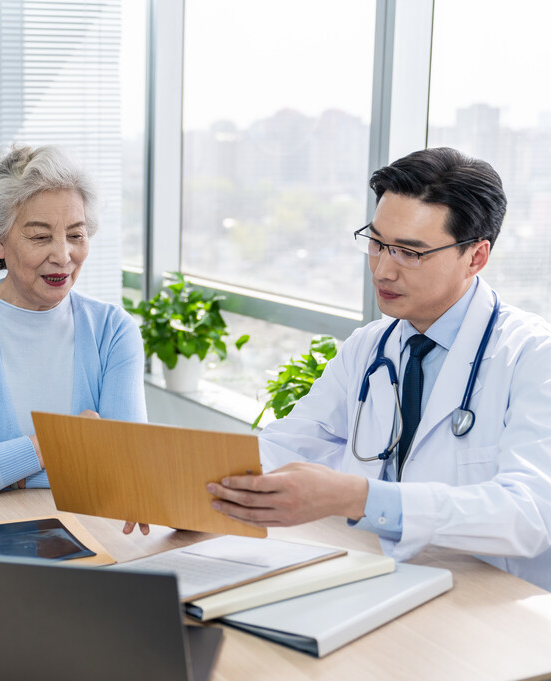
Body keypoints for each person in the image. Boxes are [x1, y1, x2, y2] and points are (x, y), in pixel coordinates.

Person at [208, 147, 551, 590]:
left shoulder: (532, 355)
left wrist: (361, 498)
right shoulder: (371, 346)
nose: (383, 270)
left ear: (476, 257)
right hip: (378, 580)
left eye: (410, 253)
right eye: (376, 243)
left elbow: (529, 514)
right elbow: (290, 443)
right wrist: (188, 482)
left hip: (488, 605)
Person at [0, 144, 147, 514]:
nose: (63, 255)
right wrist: (54, 446)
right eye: (40, 236)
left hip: (91, 531)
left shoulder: (113, 331)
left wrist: (1, 469)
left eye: (76, 235)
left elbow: (126, 467)